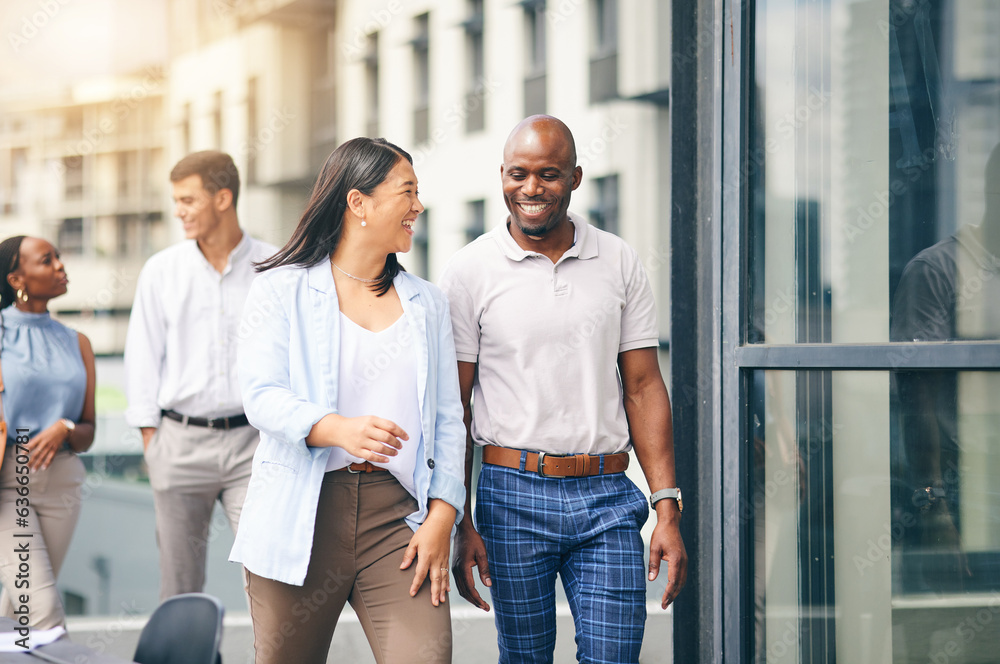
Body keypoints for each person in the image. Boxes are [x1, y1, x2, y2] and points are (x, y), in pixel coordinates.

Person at [440, 115, 688, 663]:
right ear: (501, 175)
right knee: (525, 658)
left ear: (575, 178)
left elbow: (644, 387)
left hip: (607, 499)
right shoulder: (468, 271)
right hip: (510, 496)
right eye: (518, 173)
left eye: (548, 175)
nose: (531, 189)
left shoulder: (618, 259)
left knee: (614, 657)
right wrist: (461, 520)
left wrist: (665, 506)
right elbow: (452, 407)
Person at [230, 137, 466, 664]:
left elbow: (450, 421)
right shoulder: (280, 289)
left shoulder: (427, 303)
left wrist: (442, 516)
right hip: (302, 513)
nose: (418, 207)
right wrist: (337, 428)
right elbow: (262, 397)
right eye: (407, 192)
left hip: (398, 521)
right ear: (358, 202)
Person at [124, 151, 276, 600]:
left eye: (188, 200)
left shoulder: (275, 265)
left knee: (267, 573)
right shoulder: (161, 271)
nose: (179, 211)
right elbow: (142, 358)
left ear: (223, 198)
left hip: (253, 446)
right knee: (179, 584)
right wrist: (153, 442)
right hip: (179, 443)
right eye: (176, 200)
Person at [0, 236, 96, 629]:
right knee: (42, 610)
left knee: (19, 608)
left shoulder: (78, 342)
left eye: (58, 256)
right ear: (16, 277)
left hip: (64, 481)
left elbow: (88, 431)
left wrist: (66, 427)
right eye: (46, 260)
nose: (60, 265)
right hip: (12, 479)